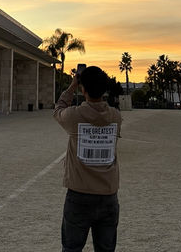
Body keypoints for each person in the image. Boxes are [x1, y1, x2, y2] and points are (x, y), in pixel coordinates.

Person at [53, 66, 123, 252]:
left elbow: (58, 108)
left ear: (83, 89)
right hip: (108, 194)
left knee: (71, 248)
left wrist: (72, 86)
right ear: (105, 89)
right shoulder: (115, 117)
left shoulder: (74, 116)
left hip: (79, 194)